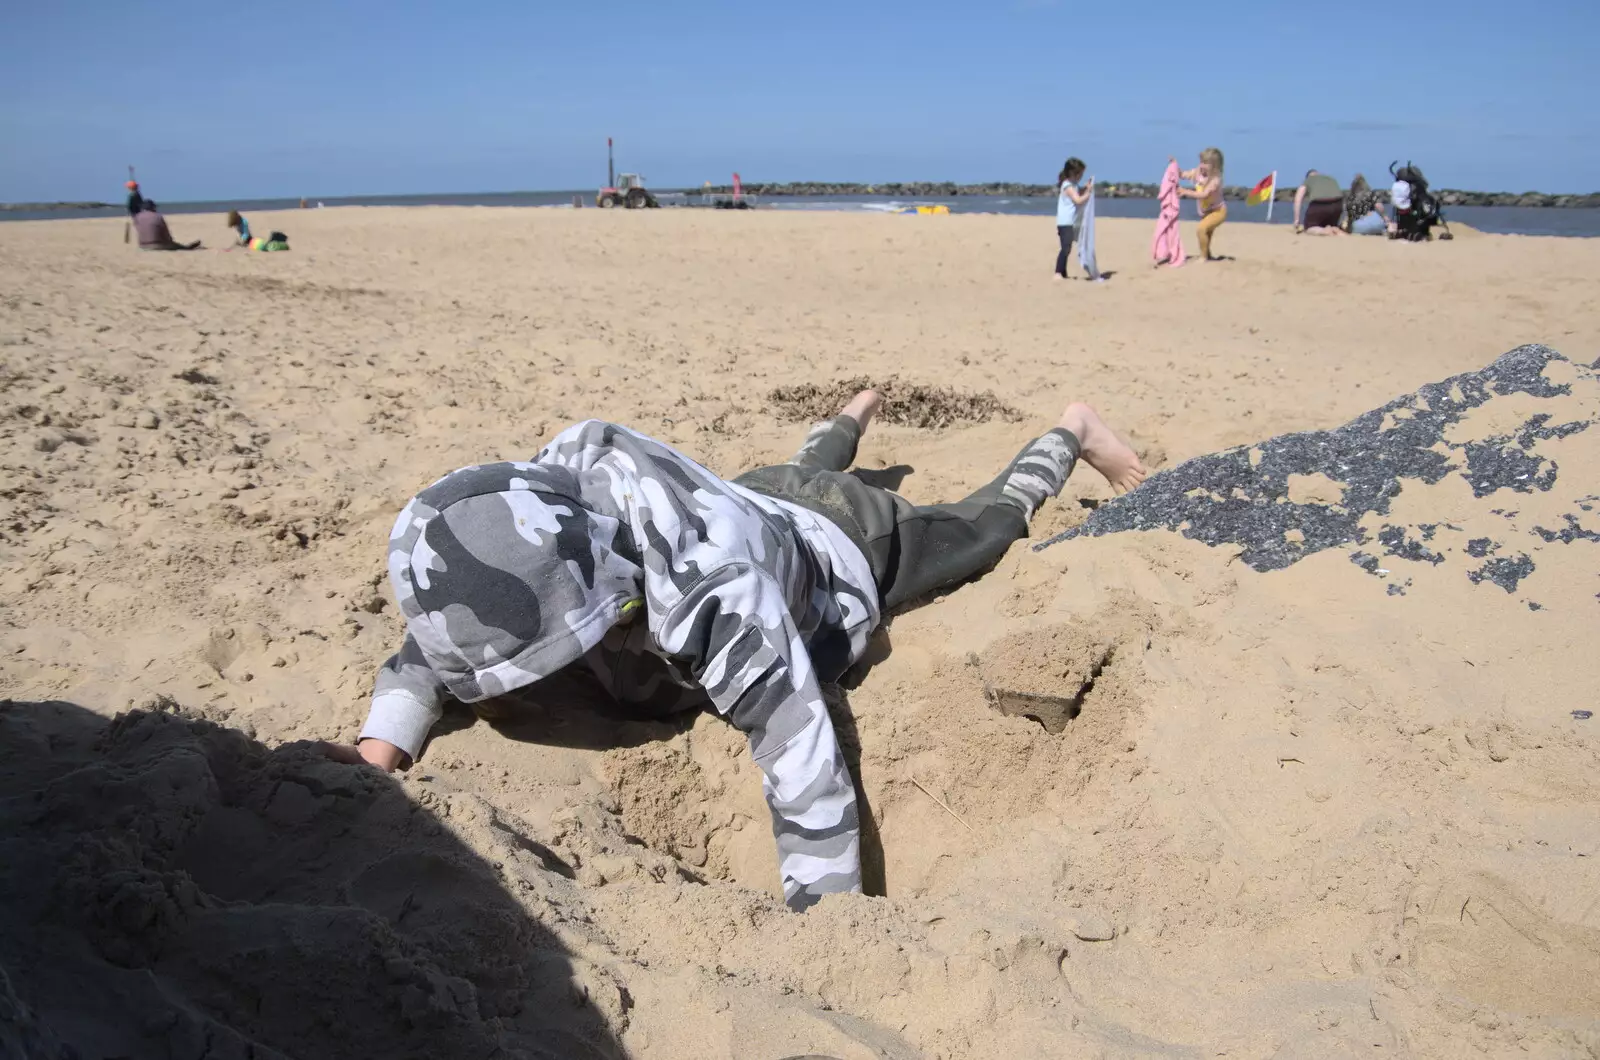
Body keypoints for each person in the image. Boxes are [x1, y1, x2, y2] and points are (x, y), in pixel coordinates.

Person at [322, 392, 1147, 911]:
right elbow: (449, 627)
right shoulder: (535, 509)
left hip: (847, 540)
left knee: (985, 527)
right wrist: (377, 755)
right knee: (791, 475)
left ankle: (1073, 429)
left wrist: (826, 924)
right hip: (748, 500)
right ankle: (855, 412)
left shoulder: (716, 594)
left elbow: (803, 761)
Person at [1178, 148, 1227, 260]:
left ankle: (1203, 257)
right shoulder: (1198, 172)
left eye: (1205, 163)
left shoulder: (1215, 180)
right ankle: (1208, 255)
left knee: (1201, 229)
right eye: (1201, 162)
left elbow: (1204, 194)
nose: (1202, 165)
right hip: (1206, 211)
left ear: (1215, 166)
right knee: (1207, 234)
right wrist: (1177, 171)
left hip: (1218, 211)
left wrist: (1186, 192)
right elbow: (1186, 174)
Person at [1054, 158, 1093, 280]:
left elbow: (1078, 192)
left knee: (1068, 247)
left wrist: (1085, 188)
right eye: (1080, 174)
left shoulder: (1073, 185)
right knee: (1065, 248)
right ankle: (1058, 272)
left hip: (1071, 222)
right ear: (1072, 173)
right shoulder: (1067, 186)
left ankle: (1063, 272)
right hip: (1065, 222)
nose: (1081, 176)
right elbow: (1078, 199)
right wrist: (1088, 194)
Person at [131, 200, 201, 250]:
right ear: (153, 207)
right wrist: (170, 241)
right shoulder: (158, 216)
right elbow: (165, 233)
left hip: (142, 245)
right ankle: (187, 248)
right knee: (179, 246)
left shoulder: (137, 217)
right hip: (158, 245)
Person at [1294, 170, 1345, 235]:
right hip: (1337, 203)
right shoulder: (1330, 178)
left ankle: (1324, 232)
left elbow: (1298, 198)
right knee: (1331, 224)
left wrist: (1296, 220)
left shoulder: (1308, 180)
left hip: (1319, 203)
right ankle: (1335, 229)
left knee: (1310, 227)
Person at [225, 209, 290, 251]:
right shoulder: (237, 224)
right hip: (246, 241)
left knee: (267, 246)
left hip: (250, 241)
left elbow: (246, 234)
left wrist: (242, 240)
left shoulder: (244, 222)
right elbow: (240, 233)